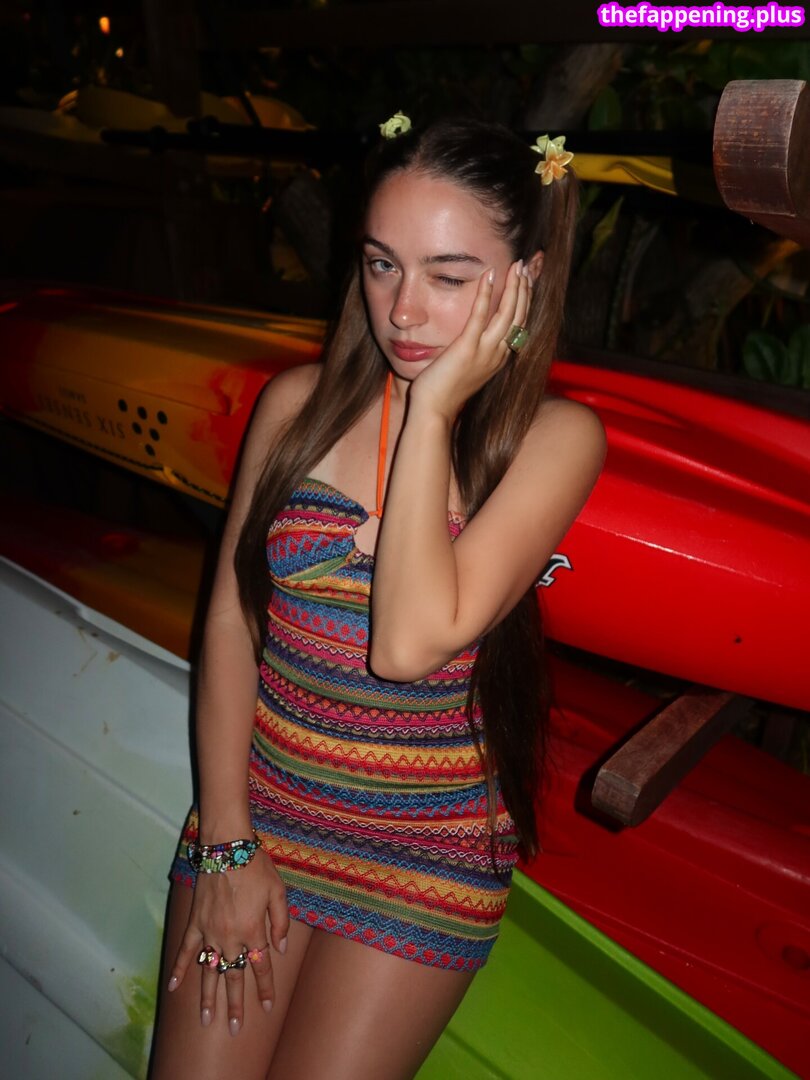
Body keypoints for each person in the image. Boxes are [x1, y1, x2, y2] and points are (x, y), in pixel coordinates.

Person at [150, 114, 606, 1080]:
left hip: (424, 851)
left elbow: (406, 645)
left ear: (524, 280)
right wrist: (227, 842)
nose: (402, 311)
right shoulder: (298, 405)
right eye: (381, 264)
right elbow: (231, 618)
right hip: (258, 813)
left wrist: (432, 412)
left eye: (449, 277)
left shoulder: (554, 440)